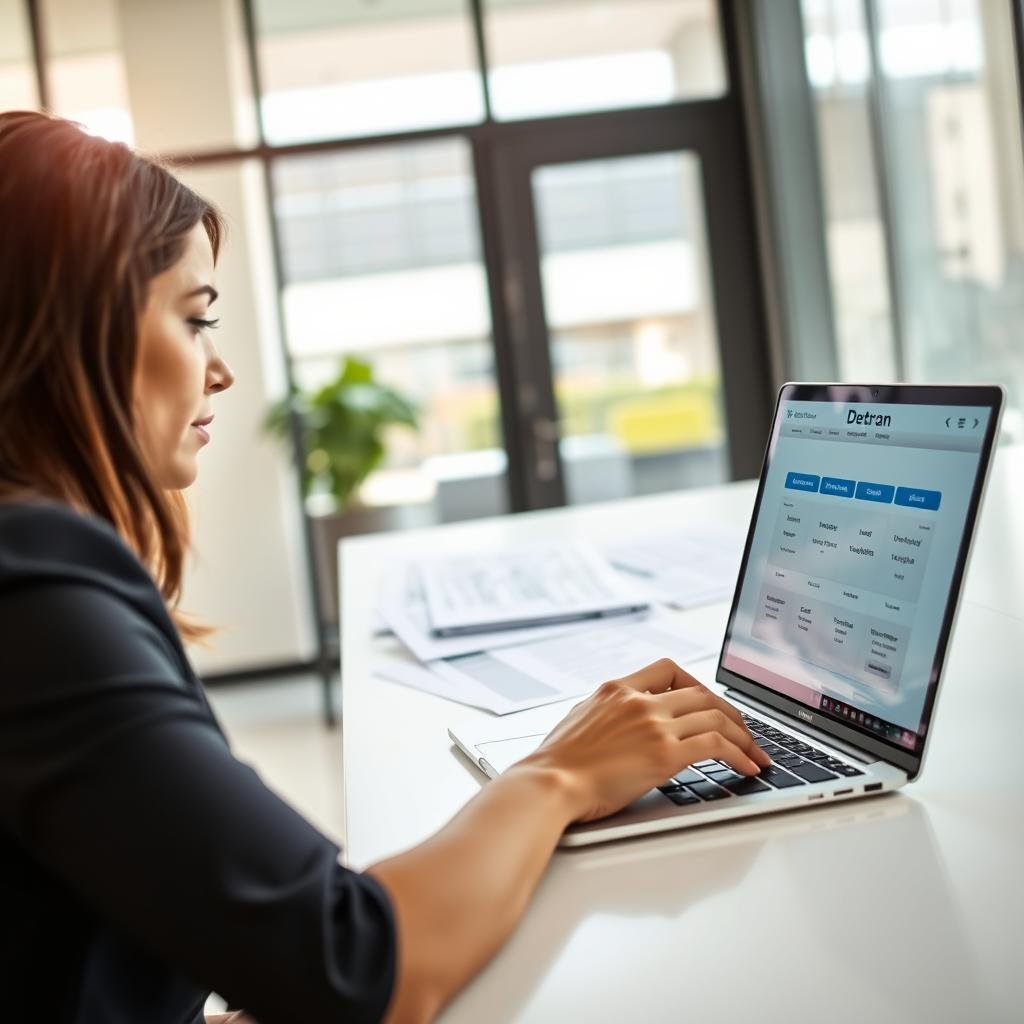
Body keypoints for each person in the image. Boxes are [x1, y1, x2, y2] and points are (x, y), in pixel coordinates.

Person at [0, 111, 769, 1024]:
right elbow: (355, 965)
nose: (221, 372)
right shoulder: (33, 592)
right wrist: (556, 776)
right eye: (195, 319)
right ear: (68, 332)